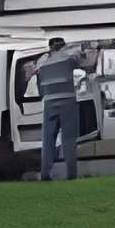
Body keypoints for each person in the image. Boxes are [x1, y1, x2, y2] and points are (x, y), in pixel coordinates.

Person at [36, 34, 87, 182]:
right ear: (62, 45)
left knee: (48, 141)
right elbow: (83, 62)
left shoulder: (42, 61)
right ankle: (71, 175)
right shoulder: (68, 56)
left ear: (50, 47)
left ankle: (45, 174)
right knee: (69, 140)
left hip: (49, 102)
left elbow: (39, 84)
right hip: (67, 101)